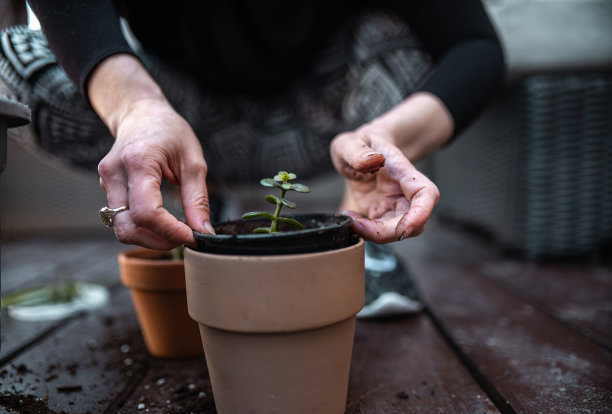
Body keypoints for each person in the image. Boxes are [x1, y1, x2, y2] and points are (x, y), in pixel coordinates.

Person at [18, 0, 504, 251]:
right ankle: (197, 205)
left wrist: (384, 140)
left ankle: (366, 230)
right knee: (19, 61)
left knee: (404, 40)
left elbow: (475, 47)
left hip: (324, 118)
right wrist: (136, 109)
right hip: (179, 119)